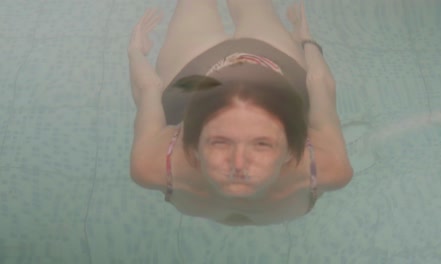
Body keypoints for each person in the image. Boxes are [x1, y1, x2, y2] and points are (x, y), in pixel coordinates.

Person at [127, 0, 353, 226]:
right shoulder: (153, 166)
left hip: (217, 73)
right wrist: (306, 41)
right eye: (219, 142)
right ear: (193, 145)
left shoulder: (327, 167)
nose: (238, 164)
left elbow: (149, 88)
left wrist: (306, 40)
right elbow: (320, 84)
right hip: (249, 66)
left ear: (292, 150)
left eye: (262, 144)